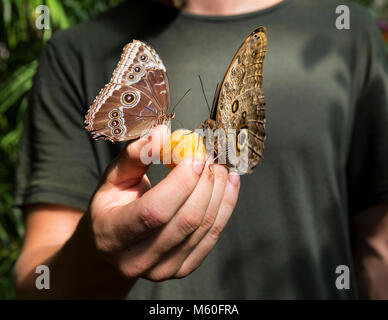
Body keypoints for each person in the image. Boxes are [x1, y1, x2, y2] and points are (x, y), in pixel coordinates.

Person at [13, 0, 388, 299]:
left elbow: (378, 244)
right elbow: (38, 282)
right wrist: (101, 254)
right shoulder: (75, 50)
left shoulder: (348, 29)